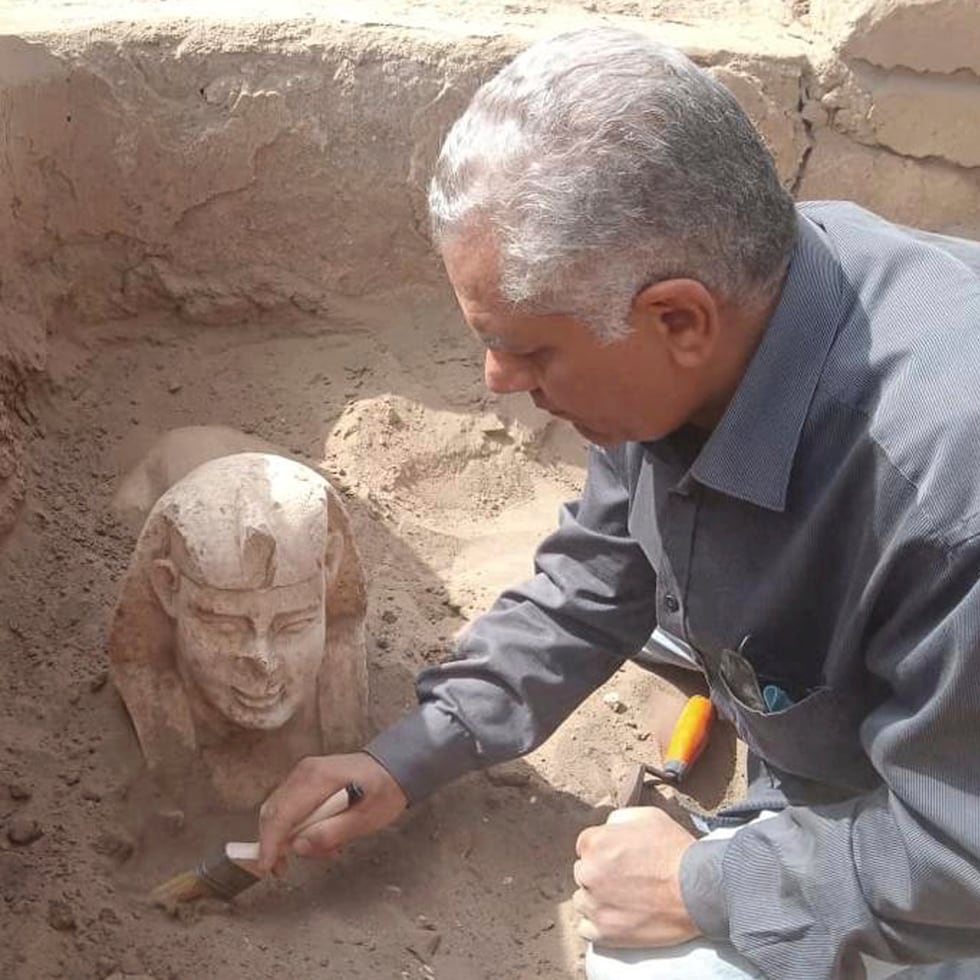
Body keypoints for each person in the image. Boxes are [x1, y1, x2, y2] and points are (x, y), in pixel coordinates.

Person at [256, 27, 980, 980]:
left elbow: (956, 849)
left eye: (529, 348)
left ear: (677, 318)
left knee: (654, 965)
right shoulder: (738, 311)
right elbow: (601, 574)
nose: (497, 380)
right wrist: (408, 755)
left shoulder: (941, 501)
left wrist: (705, 882)